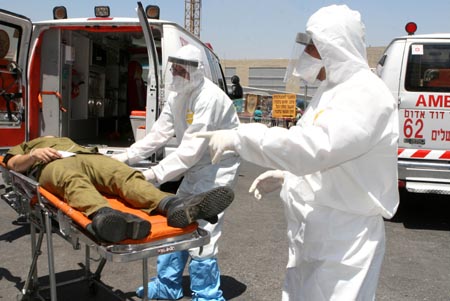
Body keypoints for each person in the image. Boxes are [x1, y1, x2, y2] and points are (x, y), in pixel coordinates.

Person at [197, 5, 399, 300]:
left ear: (335, 46)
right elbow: (318, 150)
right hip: (315, 236)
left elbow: (313, 149)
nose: (306, 55)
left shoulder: (365, 93)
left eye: (313, 48)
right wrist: (289, 177)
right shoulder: (330, 90)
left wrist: (241, 137)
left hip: (344, 245)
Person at [111, 44, 241, 301]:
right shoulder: (177, 94)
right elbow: (159, 134)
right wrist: (126, 157)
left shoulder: (210, 98)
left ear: (196, 71)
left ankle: (206, 294)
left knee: (205, 225)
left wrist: (153, 174)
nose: (177, 74)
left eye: (182, 70)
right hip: (195, 166)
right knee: (178, 217)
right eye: (175, 69)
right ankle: (167, 285)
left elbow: (191, 149)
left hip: (218, 165)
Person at [3, 136, 234, 244]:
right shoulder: (26, 146)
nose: (48, 136)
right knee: (71, 180)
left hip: (86, 155)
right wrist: (33, 155)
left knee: (122, 174)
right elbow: (12, 164)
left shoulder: (66, 139)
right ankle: (106, 216)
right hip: (49, 165)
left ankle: (173, 205)